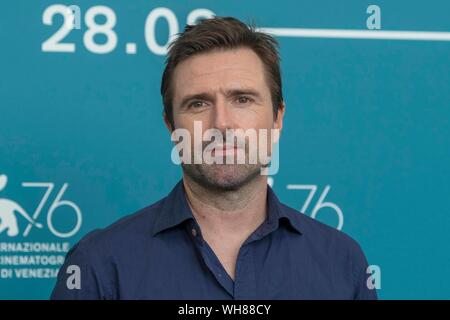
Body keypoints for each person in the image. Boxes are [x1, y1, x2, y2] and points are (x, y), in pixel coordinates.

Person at [51, 16, 377, 300]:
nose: (221, 123)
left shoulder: (342, 264)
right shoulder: (99, 266)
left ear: (277, 117)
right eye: (198, 104)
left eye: (242, 99)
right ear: (170, 125)